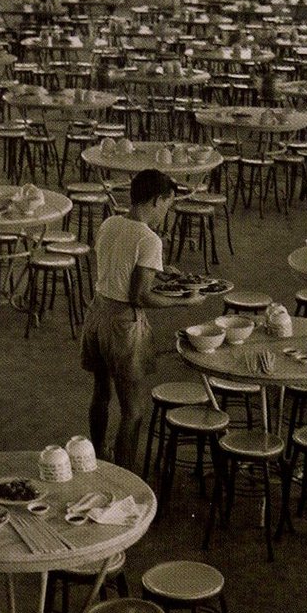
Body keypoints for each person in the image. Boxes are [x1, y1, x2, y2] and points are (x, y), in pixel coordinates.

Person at [81, 170, 202, 472]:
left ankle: (97, 455)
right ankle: (125, 479)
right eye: (167, 205)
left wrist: (160, 270)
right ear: (156, 200)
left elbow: (120, 267)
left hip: (96, 315)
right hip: (123, 325)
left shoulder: (109, 223)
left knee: (101, 392)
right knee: (133, 411)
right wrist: (184, 300)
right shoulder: (150, 239)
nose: (166, 212)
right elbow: (140, 297)